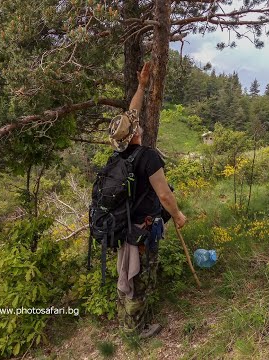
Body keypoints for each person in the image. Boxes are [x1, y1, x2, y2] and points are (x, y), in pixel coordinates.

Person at [107, 61, 187, 339]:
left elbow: (132, 112)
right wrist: (177, 215)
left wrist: (142, 86)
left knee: (126, 276)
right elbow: (164, 194)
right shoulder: (148, 157)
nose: (137, 121)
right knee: (141, 279)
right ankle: (135, 332)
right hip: (143, 229)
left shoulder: (119, 156)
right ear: (136, 133)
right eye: (136, 124)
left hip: (124, 226)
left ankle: (125, 321)